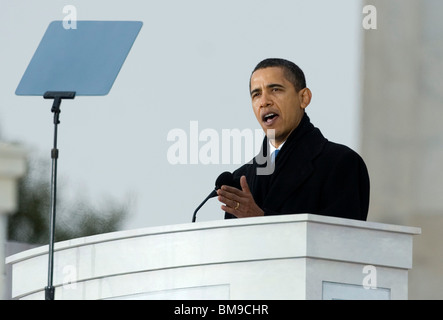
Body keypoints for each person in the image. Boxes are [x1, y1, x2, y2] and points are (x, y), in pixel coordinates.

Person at [217, 58, 370, 221]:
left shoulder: (340, 163)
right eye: (256, 94)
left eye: (275, 90)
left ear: (304, 98)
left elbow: (339, 240)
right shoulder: (241, 179)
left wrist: (260, 218)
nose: (264, 102)